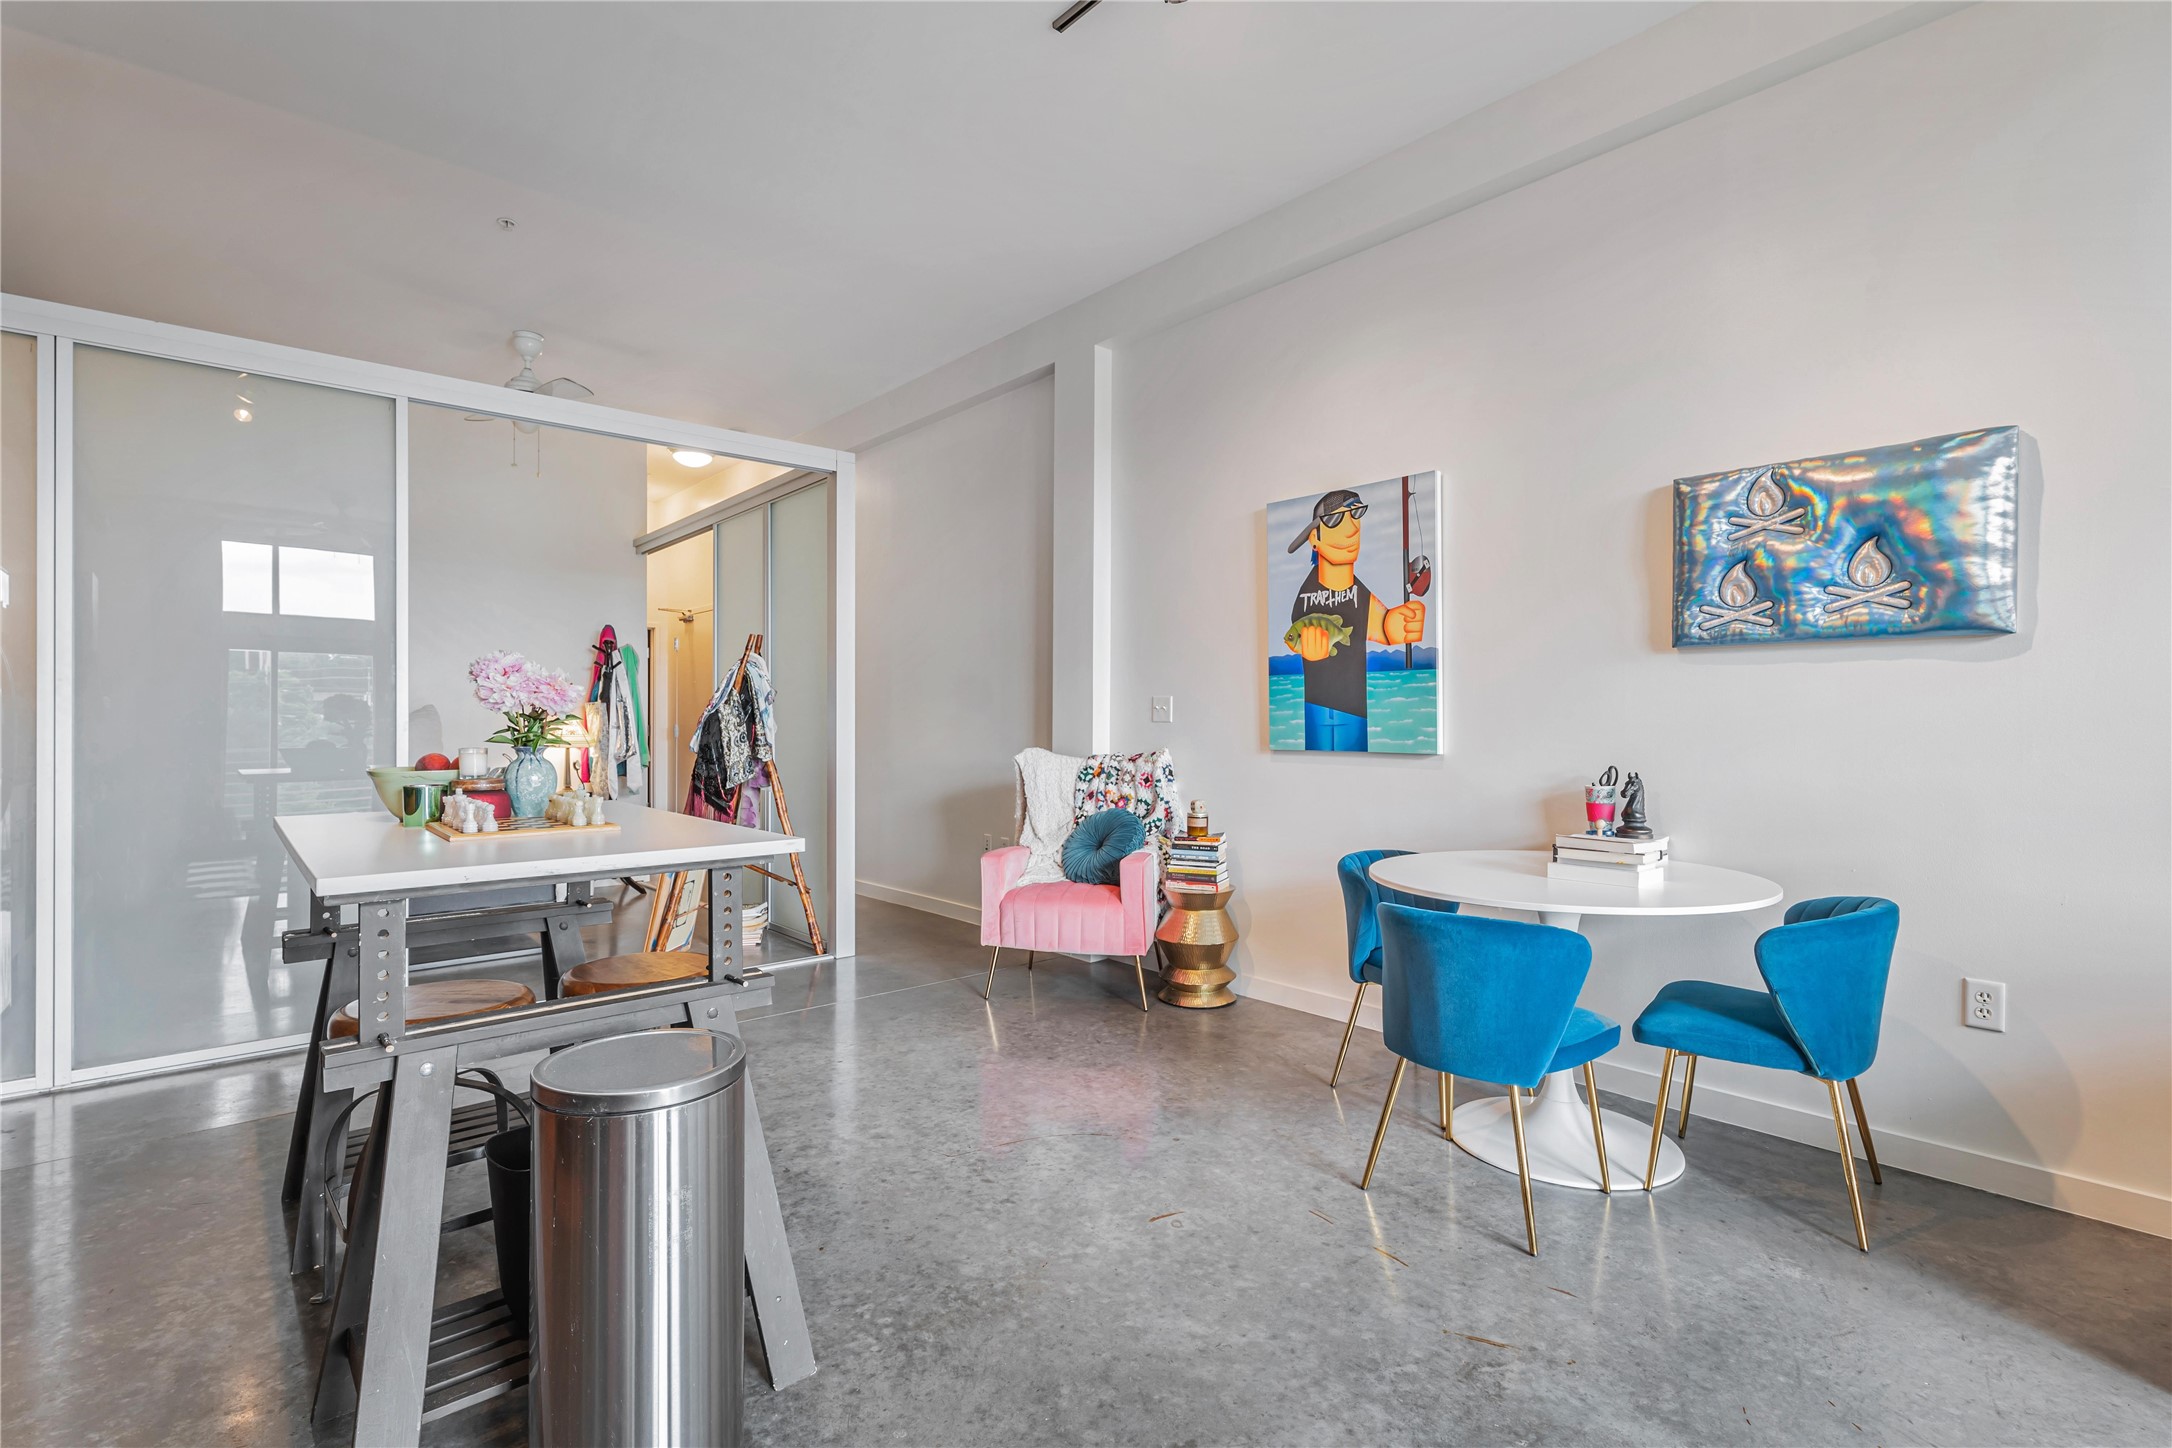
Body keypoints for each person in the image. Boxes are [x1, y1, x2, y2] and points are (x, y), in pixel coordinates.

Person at [1284, 488, 1426, 751]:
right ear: (1315, 537)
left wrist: (1399, 624)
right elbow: (1296, 635)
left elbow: (1382, 626)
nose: (1351, 529)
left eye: (1356, 515)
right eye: (1336, 520)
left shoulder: (1359, 592)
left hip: (1356, 708)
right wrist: (1309, 651)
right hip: (1318, 706)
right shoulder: (1307, 594)